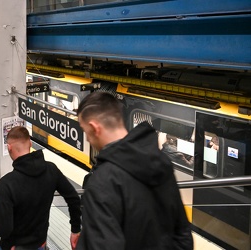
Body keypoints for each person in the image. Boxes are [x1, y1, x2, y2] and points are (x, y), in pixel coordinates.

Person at [75, 92, 193, 250]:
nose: (87, 139)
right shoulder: (160, 161)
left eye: (85, 131)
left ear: (94, 128)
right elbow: (183, 234)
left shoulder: (102, 181)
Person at [0, 126, 81, 250]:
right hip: (40, 244)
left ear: (9, 147)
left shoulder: (6, 183)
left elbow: (4, 229)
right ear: (30, 144)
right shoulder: (51, 170)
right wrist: (75, 230)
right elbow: (74, 198)